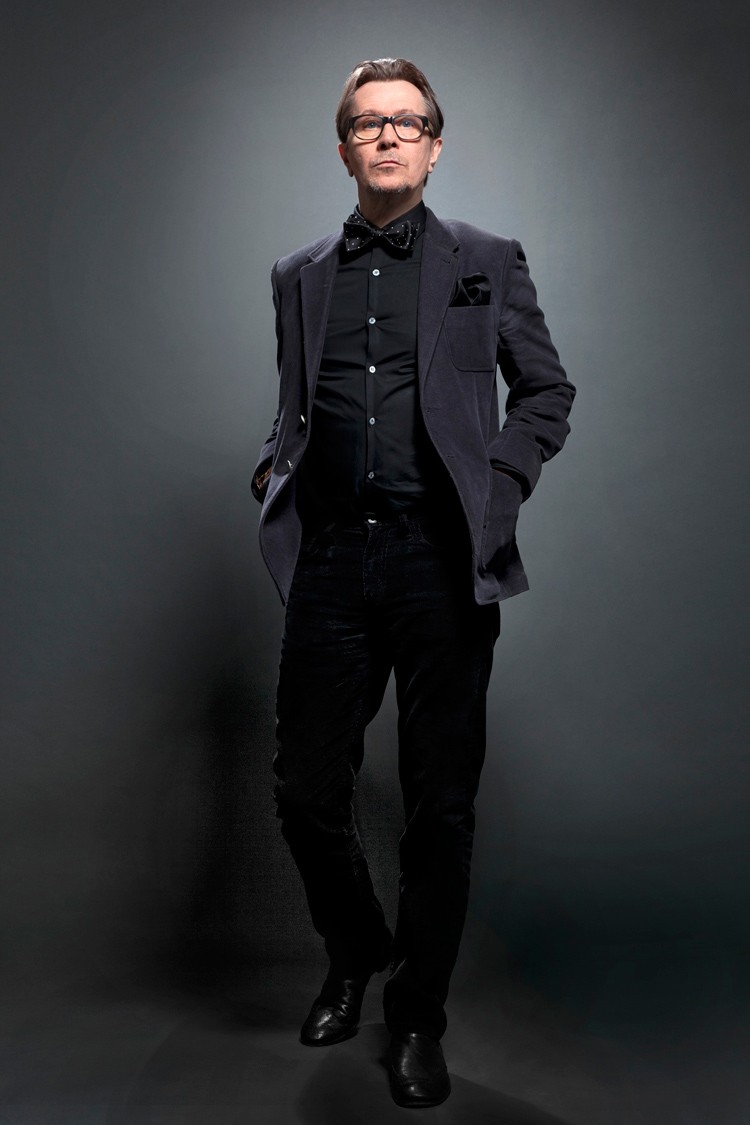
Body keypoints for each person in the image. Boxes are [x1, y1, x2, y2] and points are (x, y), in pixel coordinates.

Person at [252, 57, 575, 1108]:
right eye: (366, 122)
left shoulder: (488, 260)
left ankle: (417, 1016)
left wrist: (498, 482)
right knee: (305, 789)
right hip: (332, 560)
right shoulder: (298, 274)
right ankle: (356, 948)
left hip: (442, 560)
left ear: (435, 145)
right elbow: (295, 406)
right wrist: (274, 464)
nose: (387, 135)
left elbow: (547, 392)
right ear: (343, 147)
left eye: (406, 121)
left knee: (441, 805)